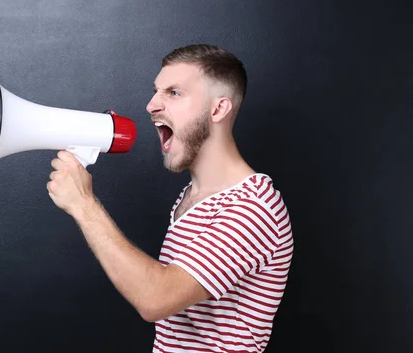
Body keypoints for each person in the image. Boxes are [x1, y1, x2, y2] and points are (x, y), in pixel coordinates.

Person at [47, 44, 293, 353]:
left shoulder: (253, 206)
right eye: (156, 91)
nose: (151, 105)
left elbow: (156, 299)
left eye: (174, 93)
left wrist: (84, 205)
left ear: (218, 109)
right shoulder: (189, 198)